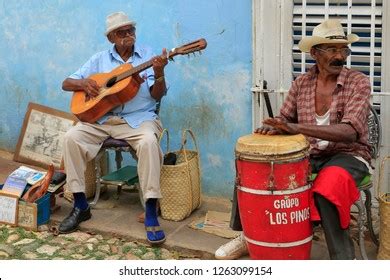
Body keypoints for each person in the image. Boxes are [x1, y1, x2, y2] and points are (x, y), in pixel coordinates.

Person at [215, 19, 372, 260]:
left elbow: (349, 132)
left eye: (343, 49)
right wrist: (273, 129)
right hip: (310, 155)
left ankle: (343, 259)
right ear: (314, 53)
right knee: (252, 168)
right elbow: (285, 118)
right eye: (332, 49)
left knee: (327, 187)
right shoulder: (301, 84)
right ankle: (249, 236)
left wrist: (293, 127)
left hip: (349, 155)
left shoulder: (357, 82)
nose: (340, 56)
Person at [60, 11, 168, 245]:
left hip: (138, 120)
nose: (129, 35)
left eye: (131, 30)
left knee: (149, 143)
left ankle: (150, 209)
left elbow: (157, 94)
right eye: (122, 32)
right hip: (102, 120)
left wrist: (159, 74)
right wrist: (83, 83)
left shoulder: (148, 56)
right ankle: (80, 205)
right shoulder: (99, 60)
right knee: (71, 137)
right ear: (111, 38)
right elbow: (66, 83)